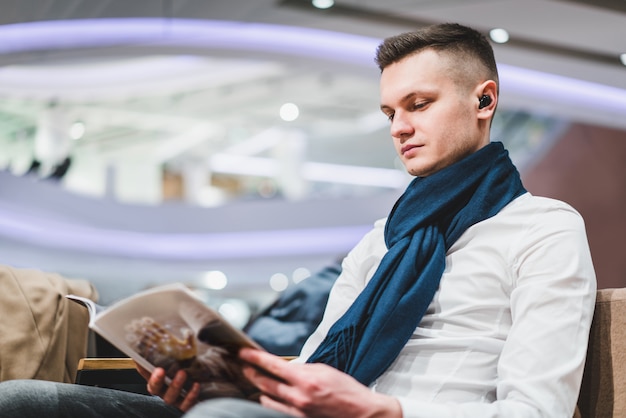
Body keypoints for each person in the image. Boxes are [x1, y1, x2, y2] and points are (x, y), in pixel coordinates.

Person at [0, 22, 596, 418]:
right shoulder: (385, 237)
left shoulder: (544, 228)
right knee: (23, 401)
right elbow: (313, 366)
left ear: (484, 101)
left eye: (419, 105)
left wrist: (379, 408)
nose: (398, 127)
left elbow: (536, 411)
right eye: (390, 111)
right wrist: (228, 381)